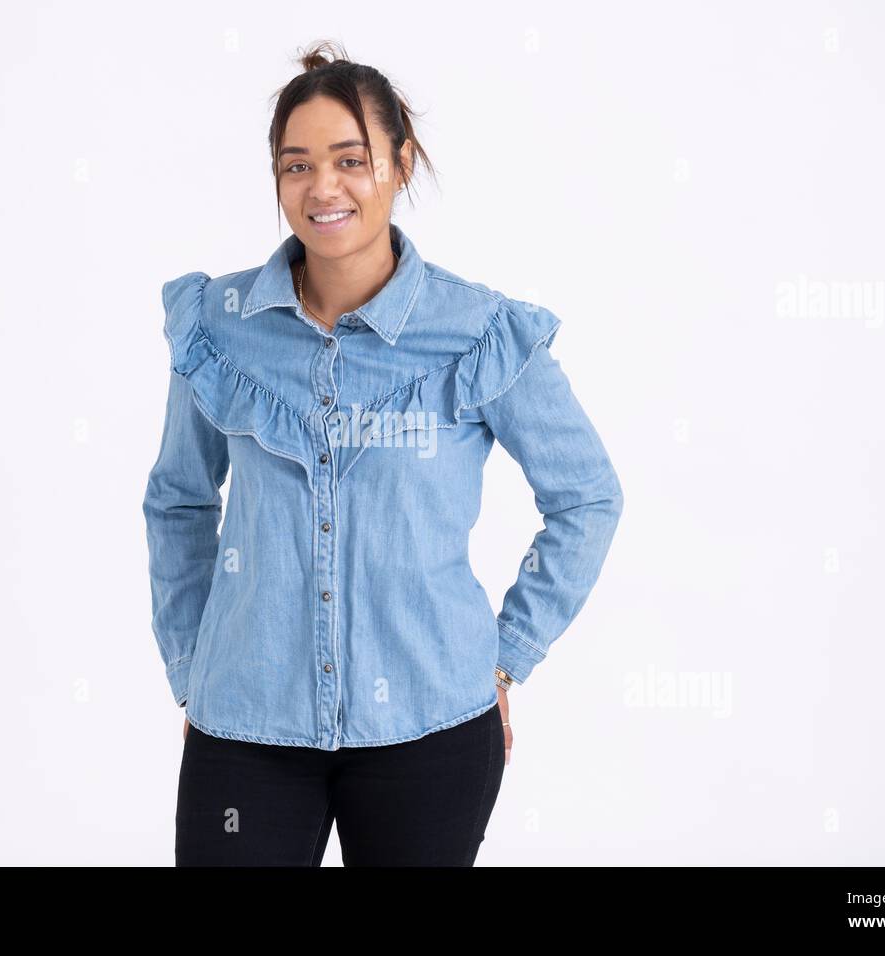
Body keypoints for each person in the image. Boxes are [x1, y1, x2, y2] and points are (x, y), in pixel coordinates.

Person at [144, 40, 624, 866]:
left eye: (350, 159)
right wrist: (193, 666)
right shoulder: (219, 328)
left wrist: (505, 661)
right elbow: (180, 500)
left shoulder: (478, 331)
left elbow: (586, 496)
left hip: (430, 726)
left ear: (400, 164)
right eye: (296, 165)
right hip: (246, 726)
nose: (323, 187)